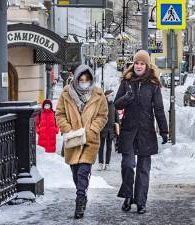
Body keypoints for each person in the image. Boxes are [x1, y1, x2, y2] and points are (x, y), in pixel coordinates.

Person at [114, 50, 168, 214]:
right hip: (129, 131)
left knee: (144, 169)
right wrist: (127, 98)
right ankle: (128, 196)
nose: (138, 66)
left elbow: (158, 108)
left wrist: (164, 131)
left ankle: (141, 201)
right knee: (128, 165)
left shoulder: (153, 84)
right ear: (133, 65)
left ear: (146, 66)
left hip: (146, 132)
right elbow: (117, 104)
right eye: (136, 63)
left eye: (142, 63)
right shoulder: (126, 82)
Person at [55, 64, 108, 219]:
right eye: (81, 79)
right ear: (76, 79)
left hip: (89, 140)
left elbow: (103, 115)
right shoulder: (66, 94)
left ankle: (80, 200)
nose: (84, 82)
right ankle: (81, 193)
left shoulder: (98, 95)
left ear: (91, 80)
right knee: (76, 173)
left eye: (87, 79)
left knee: (84, 171)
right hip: (73, 139)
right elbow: (60, 114)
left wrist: (92, 129)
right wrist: (68, 129)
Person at [98, 90, 120, 171]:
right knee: (101, 147)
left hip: (111, 130)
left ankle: (107, 163)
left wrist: (118, 125)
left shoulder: (113, 105)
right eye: (111, 95)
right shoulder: (102, 105)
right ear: (106, 96)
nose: (112, 97)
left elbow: (116, 116)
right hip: (102, 129)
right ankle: (100, 163)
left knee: (109, 147)